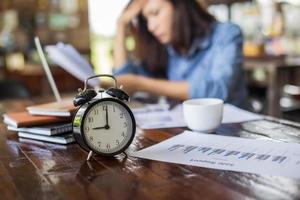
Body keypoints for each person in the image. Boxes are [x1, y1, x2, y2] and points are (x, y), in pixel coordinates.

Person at [113, 0, 248, 107]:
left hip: (234, 129)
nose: (151, 27)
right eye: (146, 20)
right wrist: (120, 26)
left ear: (179, 4)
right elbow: (123, 81)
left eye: (155, 13)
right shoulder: (167, 47)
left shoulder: (226, 33)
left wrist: (140, 83)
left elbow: (218, 91)